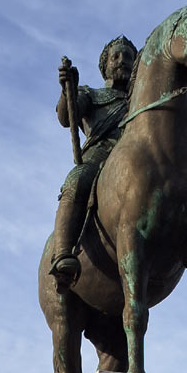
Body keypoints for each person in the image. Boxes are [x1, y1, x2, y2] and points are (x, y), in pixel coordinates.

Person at [50, 36, 137, 282]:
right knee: (77, 180)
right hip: (99, 156)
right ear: (105, 65)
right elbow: (67, 117)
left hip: (136, 157)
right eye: (116, 57)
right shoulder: (91, 94)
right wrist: (68, 89)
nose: (123, 61)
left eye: (129, 57)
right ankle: (63, 252)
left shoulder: (141, 99)